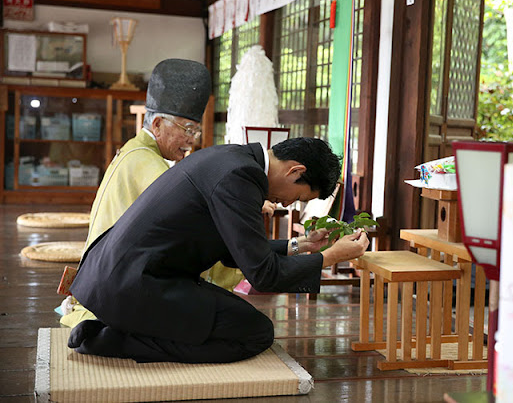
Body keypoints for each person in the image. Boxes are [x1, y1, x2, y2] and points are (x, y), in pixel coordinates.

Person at [67, 137, 369, 364]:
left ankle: (119, 328)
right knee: (256, 333)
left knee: (236, 318)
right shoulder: (241, 177)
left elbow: (235, 248)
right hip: (134, 283)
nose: (290, 204)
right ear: (295, 171)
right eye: (300, 196)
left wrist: (300, 245)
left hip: (121, 274)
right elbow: (262, 275)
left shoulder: (234, 159)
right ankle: (114, 341)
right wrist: (329, 257)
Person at [59, 59, 240, 329]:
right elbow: (191, 215)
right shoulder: (146, 162)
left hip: (100, 279)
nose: (193, 139)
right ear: (157, 124)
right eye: (187, 130)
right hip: (111, 290)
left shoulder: (136, 151)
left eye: (196, 130)